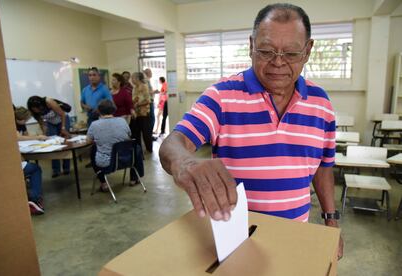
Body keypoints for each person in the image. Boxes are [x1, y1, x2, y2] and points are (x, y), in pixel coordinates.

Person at [159, 3, 343, 259]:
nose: (278, 63)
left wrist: (331, 223)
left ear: (307, 51)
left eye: (290, 53)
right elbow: (173, 143)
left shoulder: (321, 104)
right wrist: (185, 162)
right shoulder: (222, 96)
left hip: (295, 235)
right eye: (266, 51)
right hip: (235, 240)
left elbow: (324, 168)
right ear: (251, 45)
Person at [87, 100, 132, 191]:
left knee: (93, 150)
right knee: (134, 146)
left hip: (106, 163)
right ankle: (134, 178)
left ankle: (103, 183)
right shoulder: (122, 121)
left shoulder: (94, 125)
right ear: (113, 109)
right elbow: (129, 136)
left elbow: (88, 141)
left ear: (99, 111)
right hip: (125, 159)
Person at [27, 96, 71, 178]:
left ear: (40, 105)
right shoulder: (34, 111)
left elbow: (62, 114)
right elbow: (42, 123)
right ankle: (56, 169)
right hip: (51, 123)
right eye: (33, 109)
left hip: (63, 120)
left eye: (36, 108)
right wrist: (44, 133)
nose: (35, 111)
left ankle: (66, 168)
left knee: (65, 143)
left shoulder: (49, 102)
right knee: (52, 144)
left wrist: (63, 128)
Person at [130, 72, 153, 153]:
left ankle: (149, 149)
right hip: (136, 114)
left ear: (137, 78)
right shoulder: (134, 88)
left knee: (146, 132)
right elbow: (133, 99)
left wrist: (138, 104)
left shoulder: (144, 87)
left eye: (132, 78)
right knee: (136, 133)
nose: (131, 80)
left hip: (144, 113)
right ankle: (139, 149)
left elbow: (148, 101)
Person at [143, 68, 155, 135]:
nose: (151, 73)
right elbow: (147, 92)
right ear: (147, 73)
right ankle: (149, 134)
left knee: (151, 119)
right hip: (149, 102)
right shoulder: (145, 81)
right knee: (151, 119)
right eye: (150, 72)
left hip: (151, 101)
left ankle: (150, 133)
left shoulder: (148, 80)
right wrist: (154, 91)